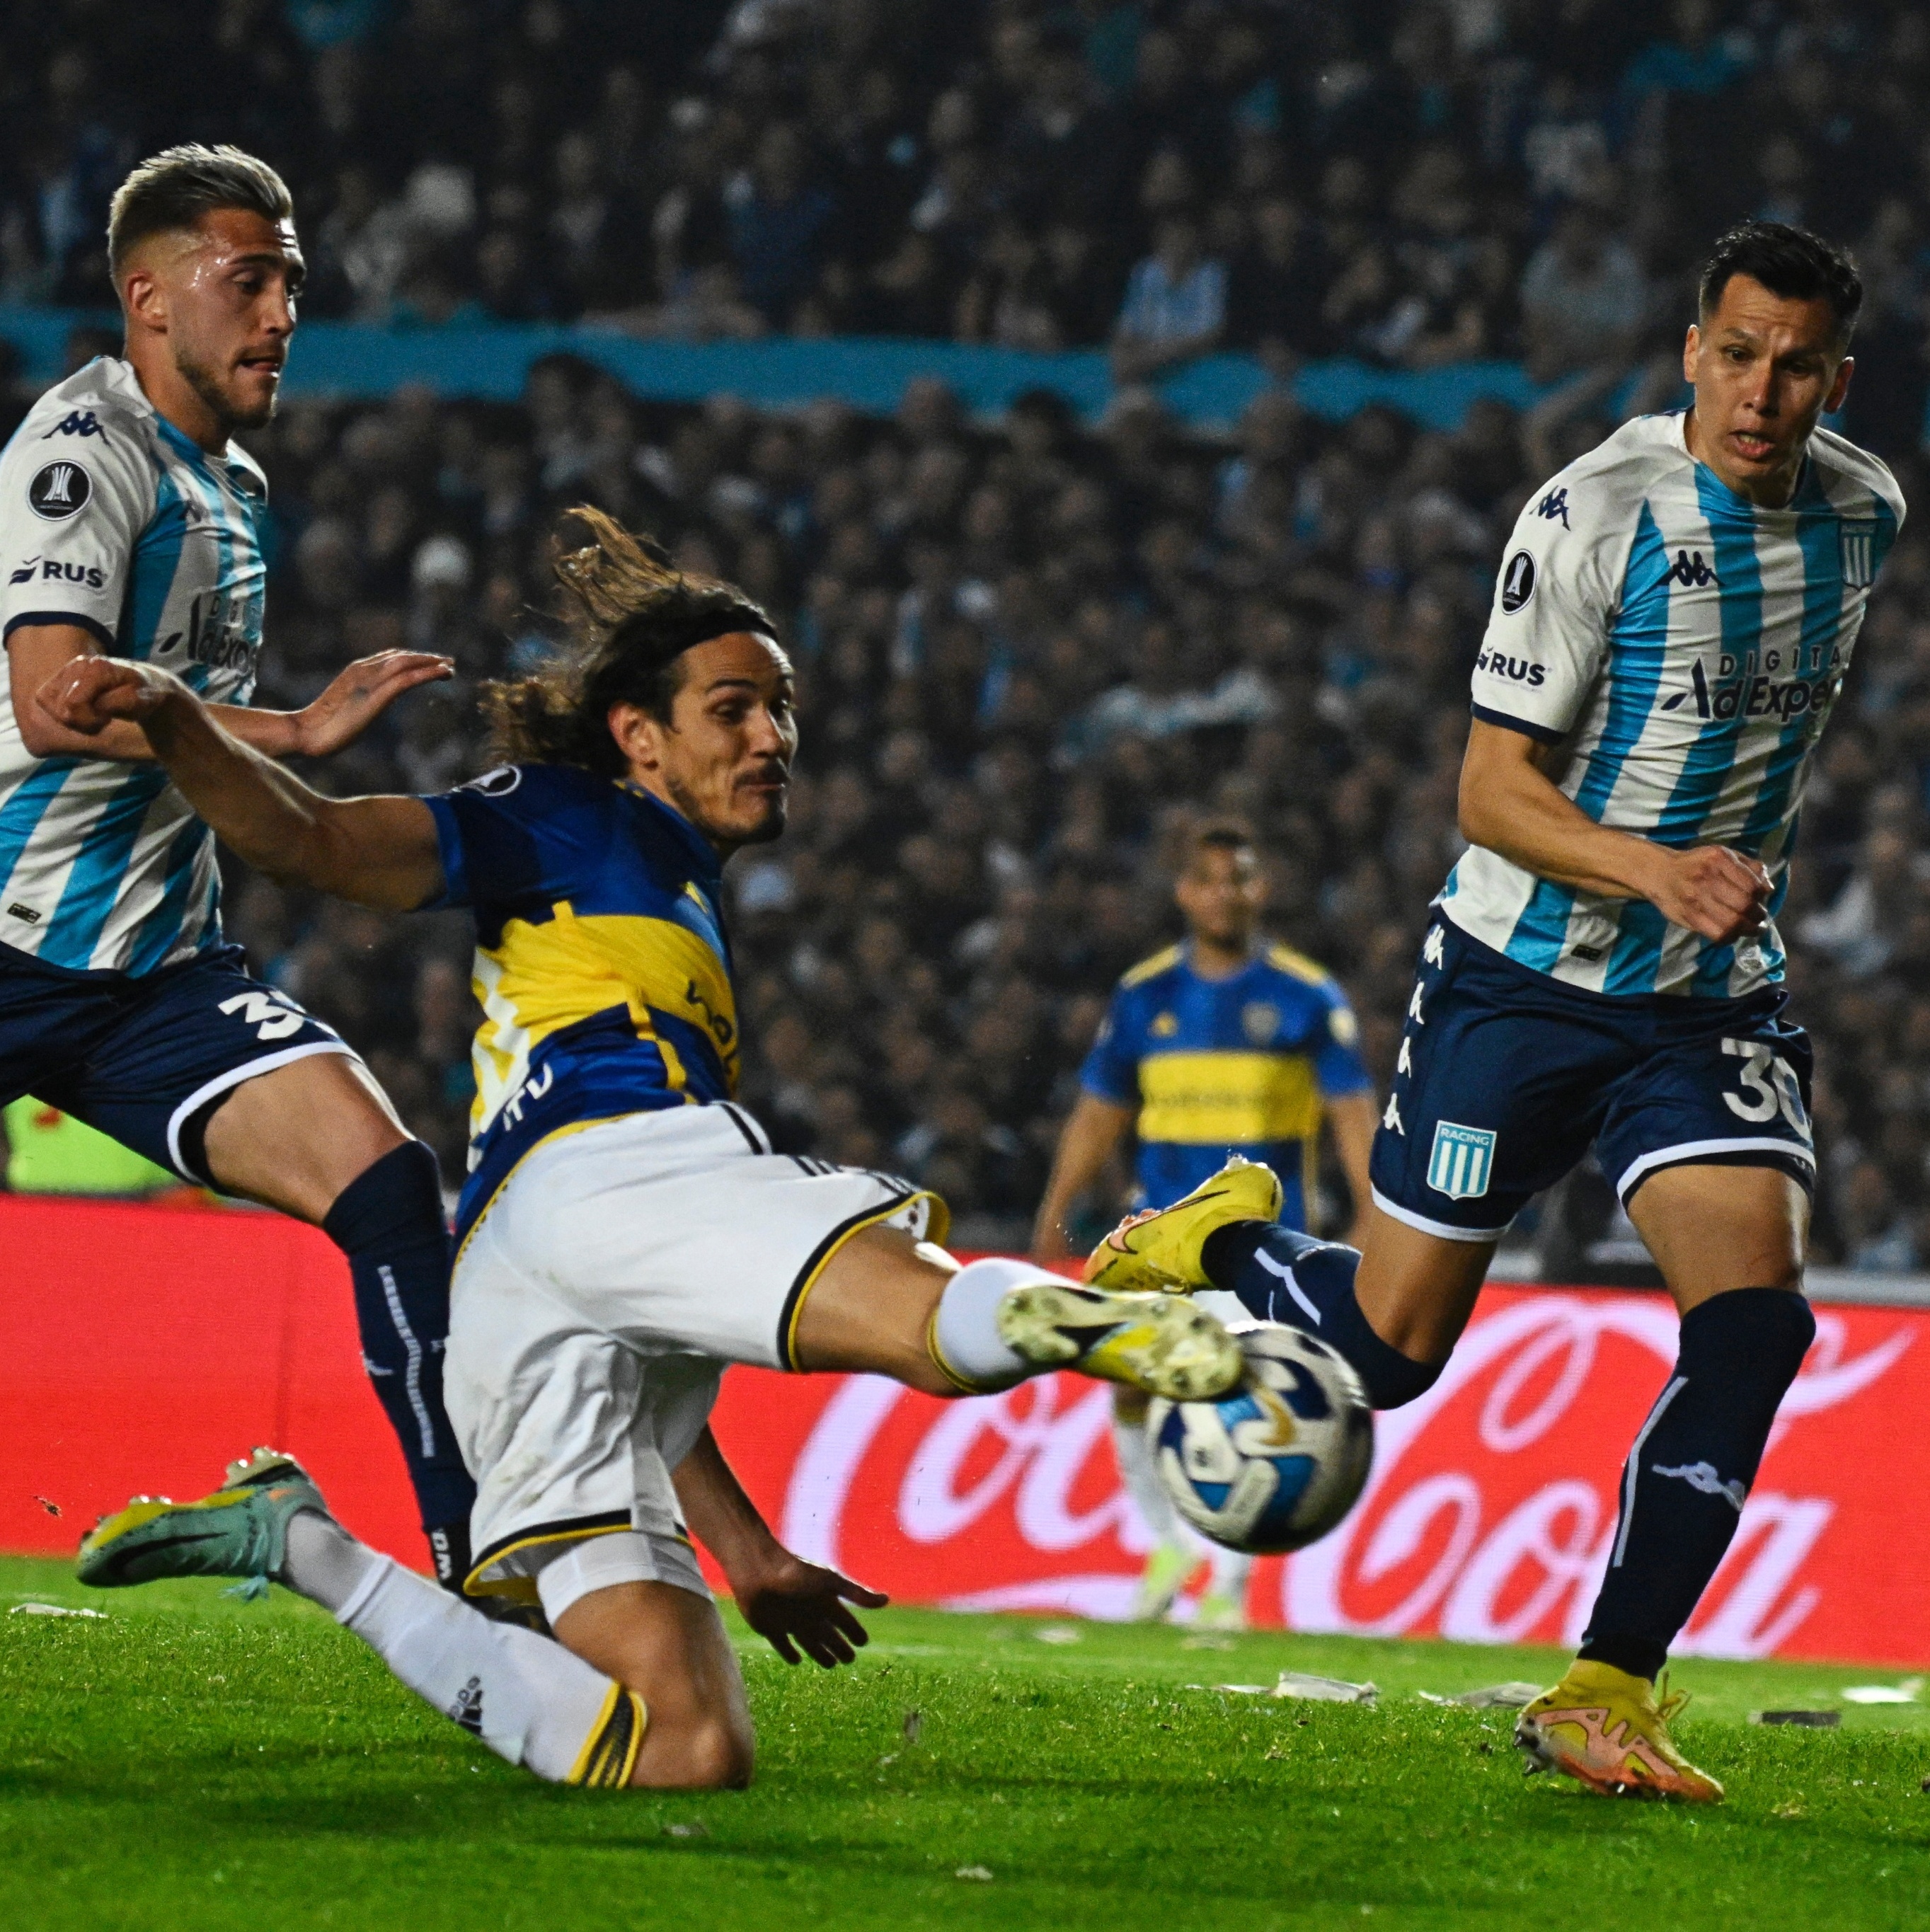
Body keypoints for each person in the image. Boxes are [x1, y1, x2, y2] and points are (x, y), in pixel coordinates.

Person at [59, 509, 1244, 1790]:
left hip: (530, 1281)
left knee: (686, 1750)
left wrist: (745, 1552)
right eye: (733, 709)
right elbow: (320, 843)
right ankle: (1126, 1296)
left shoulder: (673, 905)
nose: (770, 739)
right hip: (596, 1172)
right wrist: (181, 724)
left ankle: (305, 1548)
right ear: (639, 736)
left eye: (780, 712)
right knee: (922, 1327)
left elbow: (641, 1312)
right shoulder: (565, 816)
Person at [1082, 222, 1896, 1803]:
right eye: (1735, 355)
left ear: (1834, 379)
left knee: (1757, 1326)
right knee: (1388, 1362)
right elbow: (1488, 790)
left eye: (1796, 366)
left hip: (1700, 1003)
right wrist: (1658, 869)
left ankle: (1606, 1685)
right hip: (1516, 983)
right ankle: (1233, 1238)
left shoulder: (1862, 513)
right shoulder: (1590, 516)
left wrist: (1702, 895)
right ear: (1687, 351)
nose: (1761, 392)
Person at [0, 145, 478, 1585]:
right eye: (248, 280)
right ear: (148, 297)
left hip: (154, 973)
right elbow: (56, 697)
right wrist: (256, 732)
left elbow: (167, 717)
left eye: (291, 286)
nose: (280, 316)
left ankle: (485, 1560)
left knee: (389, 1187)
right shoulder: (81, 455)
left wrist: (298, 725)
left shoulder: (235, 481)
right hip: (12, 934)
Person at [1032, 821, 1374, 1629]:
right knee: (1128, 1389)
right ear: (1184, 891)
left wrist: (1369, 1211)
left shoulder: (1305, 994)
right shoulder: (1144, 994)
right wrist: (1057, 1205)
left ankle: (1228, 1585)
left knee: (1238, 1402)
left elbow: (1352, 1111)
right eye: (1211, 879)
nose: (1226, 893)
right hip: (1156, 1241)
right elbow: (1100, 1111)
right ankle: (1167, 1547)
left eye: (1242, 879)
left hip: (1257, 1246)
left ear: (1265, 890)